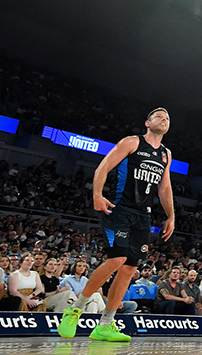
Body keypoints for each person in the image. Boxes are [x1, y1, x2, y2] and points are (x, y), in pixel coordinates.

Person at [59, 108, 176, 343]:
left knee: (129, 269)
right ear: (147, 122)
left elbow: (164, 187)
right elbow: (103, 167)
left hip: (143, 216)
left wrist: (171, 215)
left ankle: (105, 324)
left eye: (167, 118)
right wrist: (97, 194)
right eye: (159, 116)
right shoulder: (131, 142)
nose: (164, 119)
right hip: (120, 209)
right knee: (117, 258)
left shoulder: (166, 154)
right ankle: (76, 308)